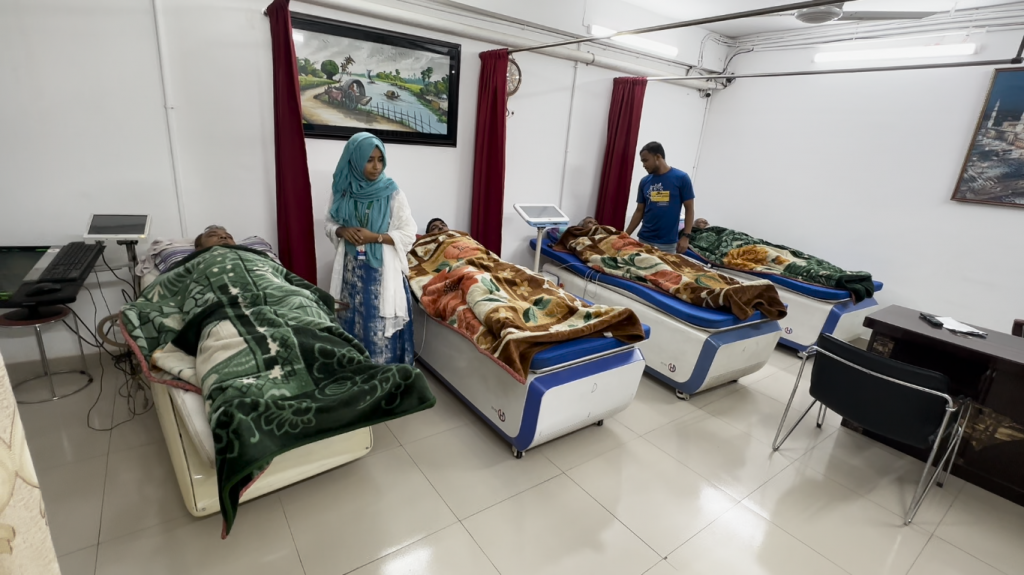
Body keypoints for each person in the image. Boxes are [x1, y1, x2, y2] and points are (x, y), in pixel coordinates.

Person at [325, 132, 417, 365]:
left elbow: (409, 233)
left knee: (378, 329)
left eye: (380, 159)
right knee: (349, 322)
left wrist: (375, 237)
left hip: (380, 273)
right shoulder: (342, 190)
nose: (376, 167)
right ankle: (354, 374)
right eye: (369, 160)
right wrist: (341, 231)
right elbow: (329, 223)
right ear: (355, 160)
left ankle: (384, 376)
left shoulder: (391, 192)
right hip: (350, 273)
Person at [624, 142, 695, 254]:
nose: (643, 165)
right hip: (644, 240)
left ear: (658, 157)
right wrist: (625, 235)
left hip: (667, 244)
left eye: (646, 160)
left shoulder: (681, 178)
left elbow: (689, 209)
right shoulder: (644, 181)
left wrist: (686, 236)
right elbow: (639, 211)